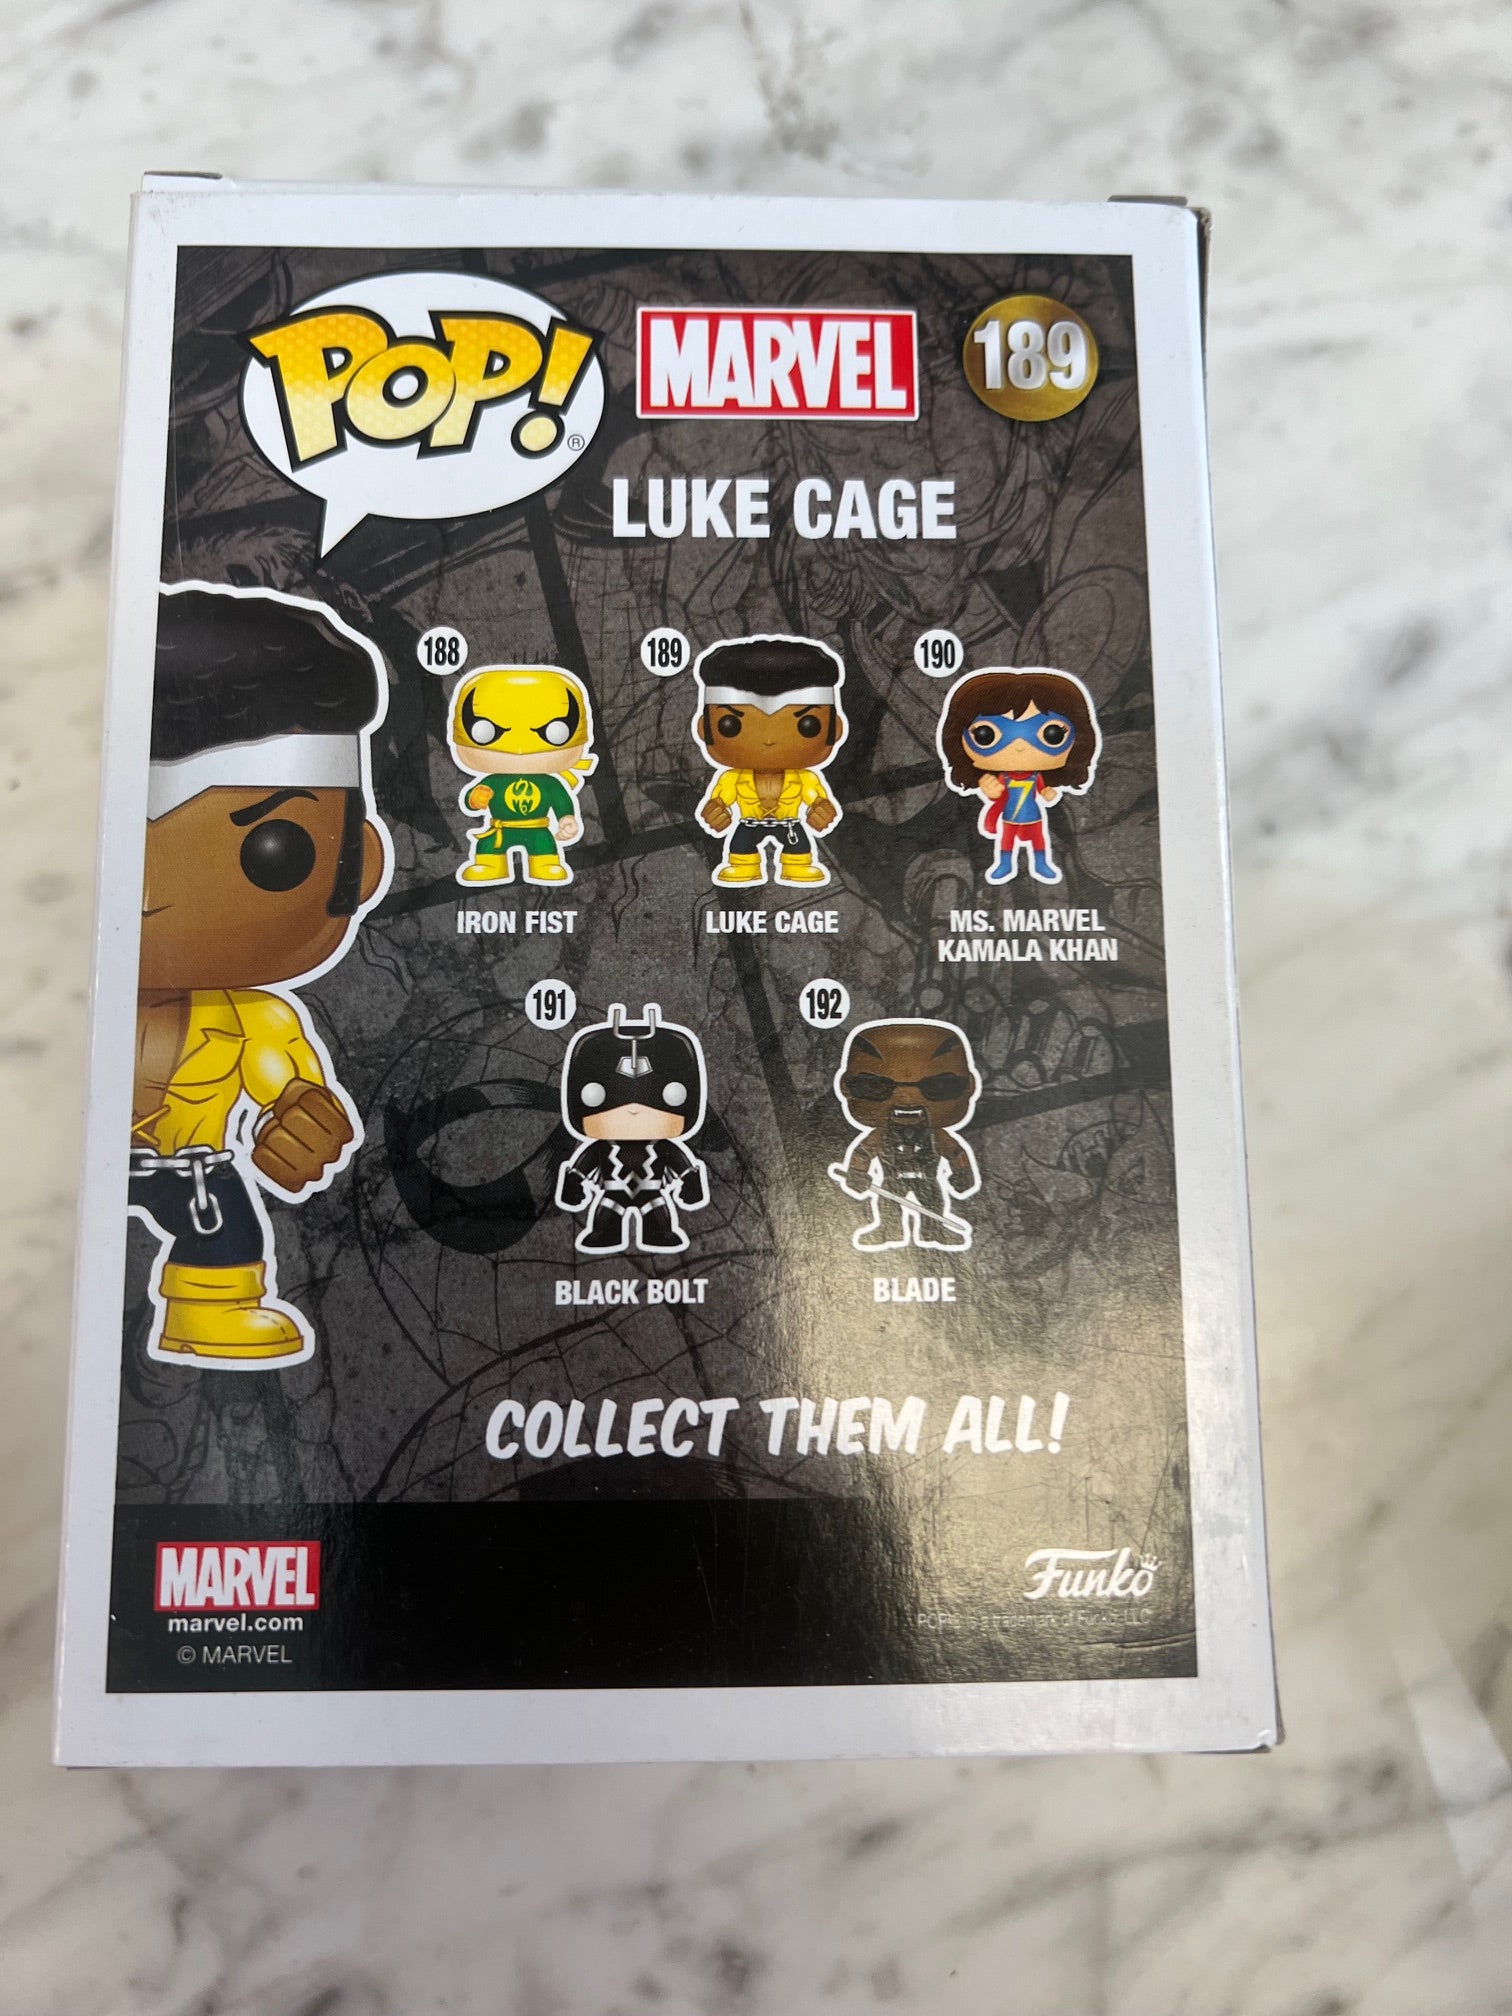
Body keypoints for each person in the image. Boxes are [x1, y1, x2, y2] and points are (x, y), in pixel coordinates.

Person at [131, 583, 390, 1364]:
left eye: (271, 852)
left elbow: (294, 1091)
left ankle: (212, 1305)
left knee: (225, 1231)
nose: (146, 892)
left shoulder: (255, 1023)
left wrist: (306, 1121)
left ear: (359, 866)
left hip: (190, 1171)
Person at [691, 634, 846, 886]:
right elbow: (719, 801)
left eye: (808, 725)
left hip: (790, 823)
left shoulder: (806, 779)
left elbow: (818, 800)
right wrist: (715, 811)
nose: (769, 740)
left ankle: (798, 864)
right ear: (703, 729)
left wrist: (822, 810)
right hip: (748, 823)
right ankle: (742, 865)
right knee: (741, 845)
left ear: (836, 729)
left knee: (799, 847)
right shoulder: (731, 779)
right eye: (731, 725)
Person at [555, 1004, 710, 1254]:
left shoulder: (663, 1145)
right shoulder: (603, 1146)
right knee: (607, 1220)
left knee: (657, 1220)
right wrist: (572, 1182)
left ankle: (658, 1234)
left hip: (651, 1193)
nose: (634, 1110)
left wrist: (692, 1182)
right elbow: (583, 1165)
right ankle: (606, 1234)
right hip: (613, 1193)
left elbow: (682, 1165)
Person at [936, 666, 1101, 886]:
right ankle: (1005, 864)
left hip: (1033, 816)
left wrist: (1048, 792)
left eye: (1053, 735)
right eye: (986, 735)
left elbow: (1043, 789)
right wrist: (989, 788)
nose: (1020, 746)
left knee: (1038, 840)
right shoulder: (1003, 779)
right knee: (1007, 842)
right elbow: (996, 795)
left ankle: (1041, 863)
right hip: (1010, 817)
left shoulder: (1035, 777)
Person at [828, 1019, 981, 1252]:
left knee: (933, 1204)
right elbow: (863, 1153)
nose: (907, 1098)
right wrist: (857, 1174)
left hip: (928, 1180)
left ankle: (934, 1230)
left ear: (968, 1085)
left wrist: (963, 1173)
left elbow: (955, 1153)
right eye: (875, 1086)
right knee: (888, 1207)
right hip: (891, 1181)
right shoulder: (880, 1135)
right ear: (846, 1087)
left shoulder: (936, 1135)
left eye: (938, 1086)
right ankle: (888, 1230)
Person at [449, 665, 595, 885]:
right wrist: (475, 798)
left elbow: (561, 801)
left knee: (544, 845)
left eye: (556, 732)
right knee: (487, 845)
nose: (518, 750)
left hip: (538, 829)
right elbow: (473, 800)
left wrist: (566, 819)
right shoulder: (493, 781)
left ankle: (545, 864)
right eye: (485, 731)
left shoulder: (549, 783)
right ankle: (490, 865)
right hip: (500, 828)